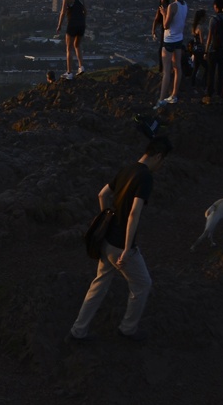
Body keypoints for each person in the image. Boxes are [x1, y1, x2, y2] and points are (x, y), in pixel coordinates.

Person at [70, 133, 172, 341]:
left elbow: (102, 194)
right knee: (143, 285)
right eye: (164, 161)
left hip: (106, 240)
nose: (162, 166)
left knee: (99, 285)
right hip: (120, 245)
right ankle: (127, 329)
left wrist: (106, 217)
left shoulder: (126, 169)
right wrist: (127, 249)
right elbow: (134, 213)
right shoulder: (145, 177)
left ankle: (78, 331)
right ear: (159, 156)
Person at [157, 0, 189, 106]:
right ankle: (174, 95)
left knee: (166, 71)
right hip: (179, 40)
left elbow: (166, 25)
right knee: (177, 68)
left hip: (169, 40)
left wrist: (164, 13)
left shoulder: (172, 6)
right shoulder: (185, 5)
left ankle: (161, 99)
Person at [202, 0, 223, 101]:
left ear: (215, 6)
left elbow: (210, 37)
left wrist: (206, 51)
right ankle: (220, 94)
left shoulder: (213, 20)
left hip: (213, 50)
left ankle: (209, 93)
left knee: (211, 72)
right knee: (220, 73)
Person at [56, 0, 87, 79]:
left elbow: (63, 12)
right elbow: (85, 11)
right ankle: (81, 67)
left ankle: (69, 73)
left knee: (69, 48)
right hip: (82, 25)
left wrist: (59, 26)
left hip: (72, 24)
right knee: (77, 45)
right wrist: (81, 20)